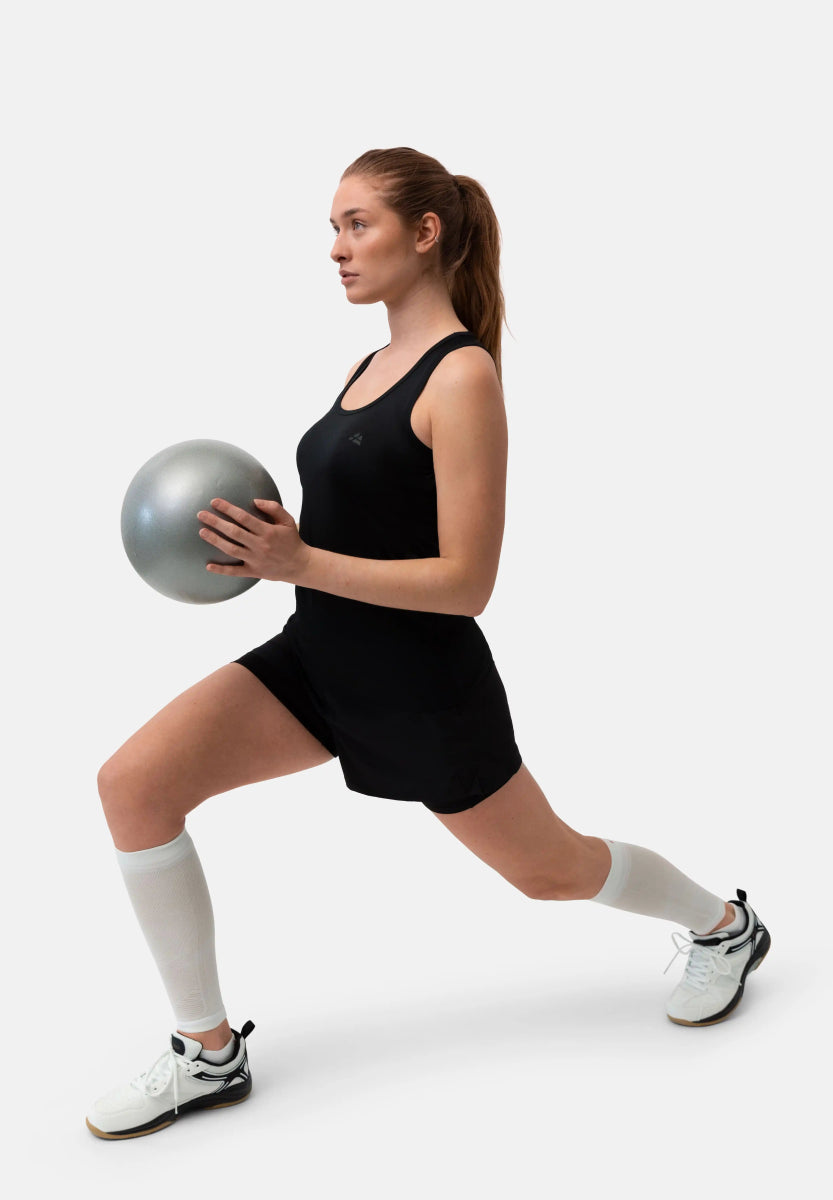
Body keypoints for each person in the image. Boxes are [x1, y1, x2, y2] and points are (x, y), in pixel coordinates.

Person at [87, 147, 770, 1140]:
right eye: (329, 228)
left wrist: (299, 560)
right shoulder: (367, 367)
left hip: (420, 686)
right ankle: (207, 1050)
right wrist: (266, 549)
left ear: (425, 232)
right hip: (316, 661)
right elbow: (341, 535)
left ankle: (723, 926)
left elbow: (465, 584)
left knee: (550, 872)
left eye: (355, 223)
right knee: (133, 785)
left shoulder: (463, 376)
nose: (335, 248)